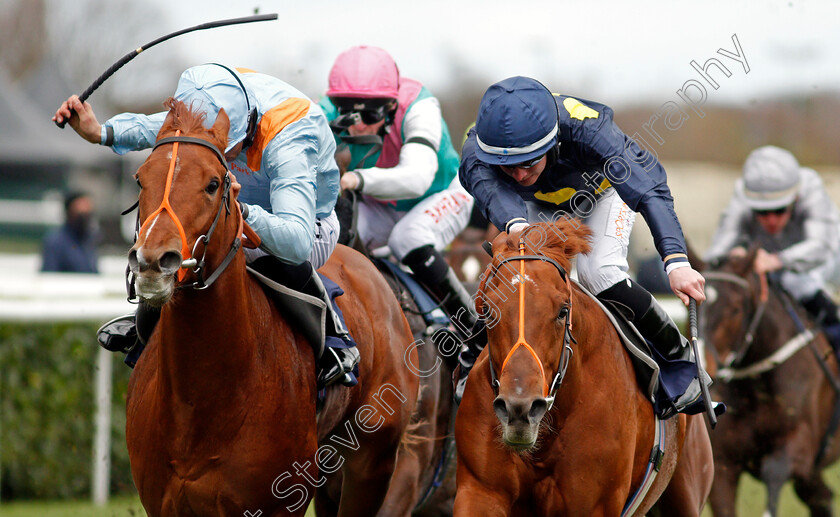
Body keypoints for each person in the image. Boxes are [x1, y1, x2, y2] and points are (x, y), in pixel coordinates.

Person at [53, 64, 357, 387]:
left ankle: (334, 338)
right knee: (182, 236)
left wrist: (242, 214)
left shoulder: (289, 141)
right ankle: (147, 325)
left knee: (236, 249)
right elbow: (152, 128)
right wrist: (100, 131)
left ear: (240, 132)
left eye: (226, 152)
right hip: (230, 204)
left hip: (308, 227)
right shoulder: (213, 103)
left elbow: (296, 244)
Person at [458, 76, 708, 417]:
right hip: (536, 207)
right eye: (508, 166)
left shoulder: (589, 129)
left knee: (599, 273)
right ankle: (470, 356)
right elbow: (494, 193)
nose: (517, 174)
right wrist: (520, 230)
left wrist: (676, 261)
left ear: (551, 144)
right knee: (520, 275)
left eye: (528, 162)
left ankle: (679, 360)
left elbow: (649, 189)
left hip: (603, 194)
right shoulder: (477, 148)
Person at [318, 45, 476, 335]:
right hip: (381, 205)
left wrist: (357, 179)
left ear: (391, 106)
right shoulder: (325, 109)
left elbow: (417, 178)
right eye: (348, 114)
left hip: (439, 195)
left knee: (408, 237)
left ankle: (473, 330)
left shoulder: (420, 106)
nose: (358, 127)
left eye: (369, 115)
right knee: (331, 245)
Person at [705, 145, 840, 354]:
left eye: (779, 210)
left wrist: (777, 260)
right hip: (770, 264)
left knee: (798, 283)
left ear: (795, 198)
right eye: (762, 211)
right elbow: (716, 252)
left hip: (824, 265)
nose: (771, 220)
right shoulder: (743, 191)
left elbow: (822, 246)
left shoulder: (810, 186)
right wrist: (734, 254)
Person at [41, 191, 100, 273]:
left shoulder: (89, 239)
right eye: (81, 214)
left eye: (88, 213)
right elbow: (49, 275)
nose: (85, 218)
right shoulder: (56, 242)